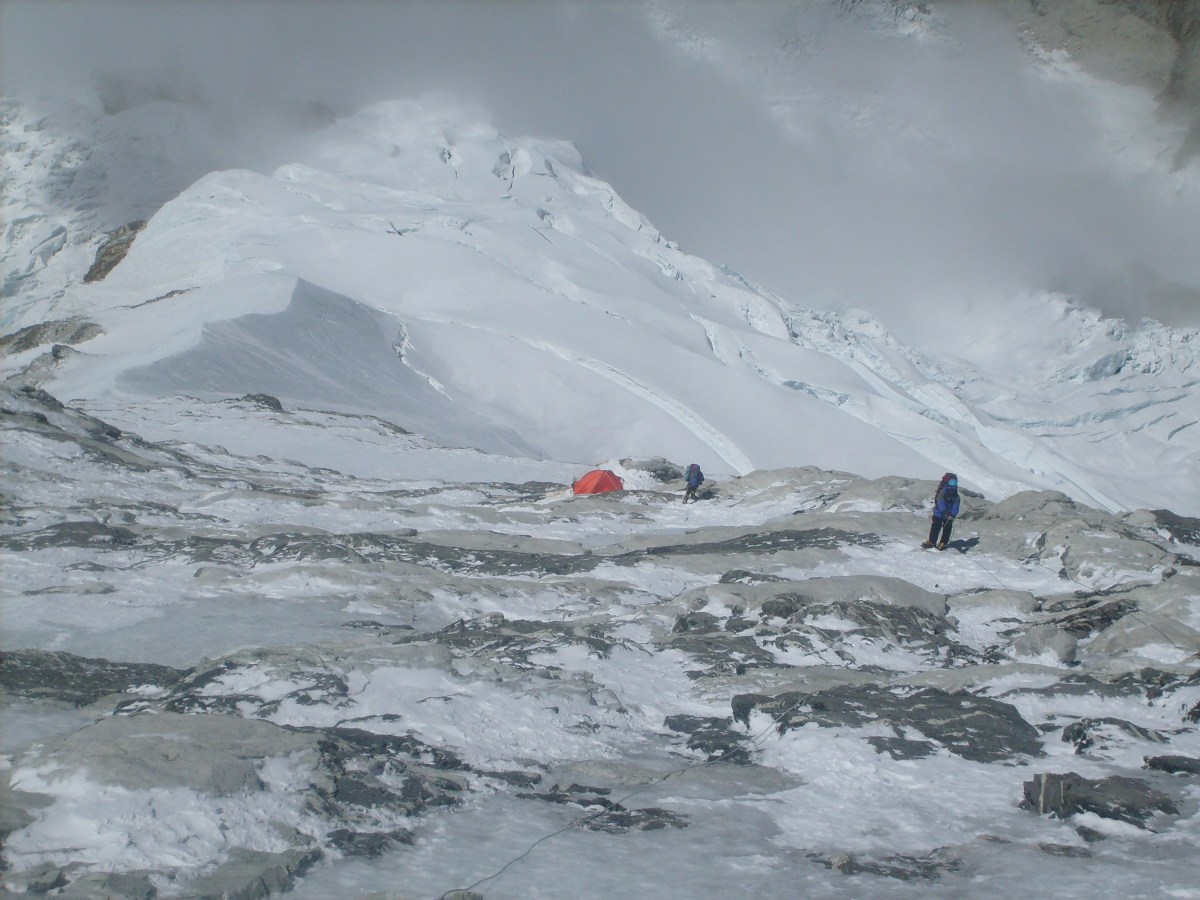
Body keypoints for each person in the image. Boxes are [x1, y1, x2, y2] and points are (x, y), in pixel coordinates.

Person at [922, 473, 960, 550]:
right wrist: (950, 513)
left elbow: (941, 502)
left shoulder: (948, 493)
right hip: (942, 513)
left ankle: (933, 542)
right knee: (945, 528)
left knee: (936, 528)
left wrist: (951, 513)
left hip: (942, 513)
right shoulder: (949, 493)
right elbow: (941, 501)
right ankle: (941, 543)